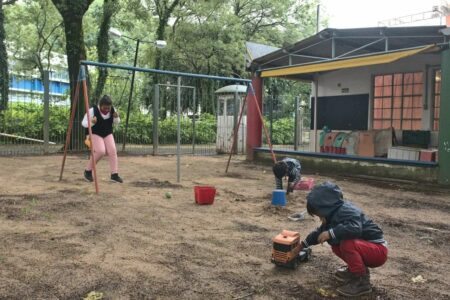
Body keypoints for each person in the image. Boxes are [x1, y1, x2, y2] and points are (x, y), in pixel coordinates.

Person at [300, 181, 387, 297]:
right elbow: (319, 233)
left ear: (326, 207)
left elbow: (355, 228)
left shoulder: (347, 210)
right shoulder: (332, 214)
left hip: (377, 251)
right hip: (366, 249)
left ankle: (361, 282)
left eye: (319, 214)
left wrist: (331, 233)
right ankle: (354, 270)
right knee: (336, 244)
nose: (320, 218)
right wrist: (303, 245)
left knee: (347, 243)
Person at [82, 95, 123, 183]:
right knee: (101, 151)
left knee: (112, 150)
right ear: (100, 105)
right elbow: (84, 123)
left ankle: (114, 175)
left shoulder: (112, 109)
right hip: (95, 133)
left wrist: (116, 117)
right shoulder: (93, 111)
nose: (107, 110)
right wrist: (92, 122)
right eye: (104, 108)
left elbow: (117, 122)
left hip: (107, 133)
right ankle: (88, 171)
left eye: (108, 108)